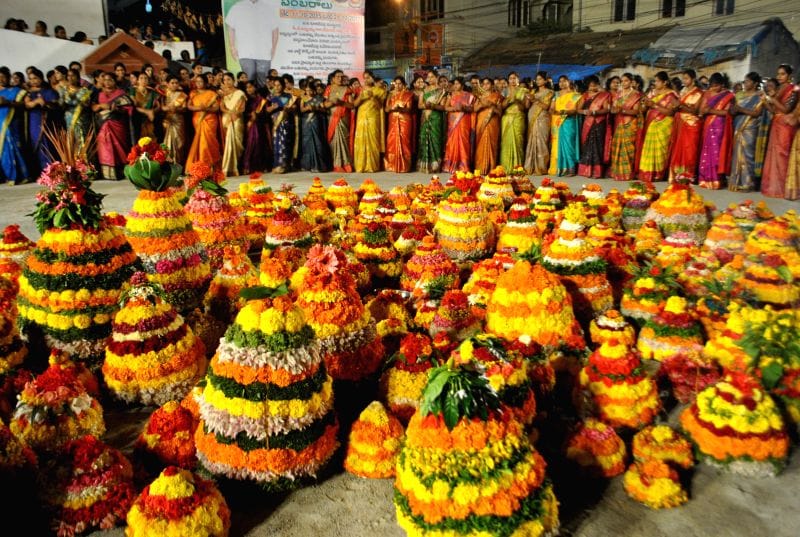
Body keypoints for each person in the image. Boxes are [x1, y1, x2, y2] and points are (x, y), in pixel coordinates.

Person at [761, 64, 799, 199]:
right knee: (773, 154)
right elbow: (773, 110)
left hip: (785, 126)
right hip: (776, 123)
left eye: (782, 74)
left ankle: (783, 188)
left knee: (783, 154)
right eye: (778, 74)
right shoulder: (779, 89)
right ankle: (772, 187)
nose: (779, 76)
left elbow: (786, 109)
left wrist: (773, 99)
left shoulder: (794, 89)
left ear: (789, 76)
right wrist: (765, 101)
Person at [226, 0, 279, 87]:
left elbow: (275, 29)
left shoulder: (268, 8)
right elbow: (231, 27)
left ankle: (263, 100)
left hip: (264, 53)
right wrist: (232, 46)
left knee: (263, 82)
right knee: (248, 81)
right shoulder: (237, 7)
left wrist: (274, 47)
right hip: (245, 52)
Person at [638, 71, 679, 182]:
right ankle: (647, 173)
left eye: (657, 81)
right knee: (649, 148)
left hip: (664, 123)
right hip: (651, 122)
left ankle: (659, 174)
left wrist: (654, 105)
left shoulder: (671, 94)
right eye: (654, 81)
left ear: (665, 82)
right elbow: (643, 109)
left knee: (661, 149)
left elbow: (670, 112)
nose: (655, 83)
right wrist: (643, 104)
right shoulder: (652, 93)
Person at [92, 72, 134, 180]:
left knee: (120, 147)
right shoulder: (98, 94)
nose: (107, 82)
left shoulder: (121, 93)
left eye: (110, 80)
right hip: (102, 124)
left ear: (115, 81)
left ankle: (122, 171)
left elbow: (128, 108)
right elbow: (92, 107)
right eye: (105, 80)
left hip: (117, 123)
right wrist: (100, 105)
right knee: (105, 146)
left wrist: (117, 109)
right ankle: (107, 173)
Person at [697, 72, 735, 189]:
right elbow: (702, 110)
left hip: (719, 126)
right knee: (707, 151)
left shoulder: (728, 95)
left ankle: (717, 179)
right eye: (712, 85)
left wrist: (711, 111)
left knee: (717, 152)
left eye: (716, 85)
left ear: (722, 85)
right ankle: (705, 179)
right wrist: (704, 111)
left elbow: (728, 112)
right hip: (708, 125)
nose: (714, 88)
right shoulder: (707, 94)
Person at [728, 72, 764, 192]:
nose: (745, 83)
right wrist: (733, 109)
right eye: (744, 81)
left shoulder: (759, 96)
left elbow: (757, 113)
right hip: (738, 125)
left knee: (748, 155)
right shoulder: (739, 95)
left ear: (755, 84)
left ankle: (748, 183)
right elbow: (733, 111)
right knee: (737, 154)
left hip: (750, 128)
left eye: (747, 81)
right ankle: (736, 182)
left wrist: (741, 109)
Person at [669, 69, 704, 181]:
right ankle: (677, 175)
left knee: (690, 149)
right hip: (680, 122)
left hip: (691, 123)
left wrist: (679, 105)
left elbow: (695, 110)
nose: (684, 81)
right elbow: (678, 106)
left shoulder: (698, 92)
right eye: (683, 78)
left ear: (693, 79)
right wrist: (675, 106)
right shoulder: (683, 91)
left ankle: (688, 175)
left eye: (686, 78)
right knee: (678, 148)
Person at [24, 68, 60, 174]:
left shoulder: (49, 91)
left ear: (41, 78)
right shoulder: (29, 93)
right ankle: (43, 171)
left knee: (48, 143)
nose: (33, 81)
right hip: (34, 121)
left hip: (47, 120)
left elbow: (55, 104)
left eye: (35, 78)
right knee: (36, 143)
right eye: (30, 79)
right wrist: (36, 102)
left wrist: (44, 103)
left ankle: (53, 170)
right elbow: (27, 104)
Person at [577, 75, 612, 178]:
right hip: (587, 122)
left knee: (597, 145)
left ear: (598, 84)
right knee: (587, 145)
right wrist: (584, 111)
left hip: (598, 122)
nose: (592, 88)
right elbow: (578, 109)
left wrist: (595, 112)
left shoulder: (604, 95)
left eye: (594, 85)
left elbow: (606, 109)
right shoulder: (585, 95)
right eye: (590, 86)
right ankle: (586, 170)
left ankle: (597, 172)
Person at [609, 73, 642, 181]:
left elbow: (636, 111)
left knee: (629, 148)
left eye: (626, 81)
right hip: (619, 123)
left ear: (631, 81)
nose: (623, 83)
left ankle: (627, 173)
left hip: (630, 123)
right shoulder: (618, 94)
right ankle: (617, 172)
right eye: (622, 81)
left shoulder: (636, 95)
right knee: (617, 146)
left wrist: (622, 110)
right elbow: (614, 107)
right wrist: (614, 110)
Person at [0, 67, 30, 184]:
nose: (1, 79)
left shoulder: (16, 91)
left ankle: (17, 175)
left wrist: (8, 102)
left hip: (10, 123)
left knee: (11, 146)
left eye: (3, 77)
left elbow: (25, 104)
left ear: (8, 78)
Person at [186, 75, 222, 171]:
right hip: (197, 119)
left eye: (201, 81)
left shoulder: (211, 94)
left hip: (210, 119)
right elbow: (189, 106)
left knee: (208, 141)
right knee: (200, 141)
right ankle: (201, 164)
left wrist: (206, 108)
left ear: (205, 83)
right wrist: (199, 108)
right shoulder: (193, 93)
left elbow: (216, 108)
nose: (198, 83)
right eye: (197, 82)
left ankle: (210, 165)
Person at [353, 71, 386, 173]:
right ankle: (360, 166)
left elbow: (380, 106)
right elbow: (354, 104)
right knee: (361, 140)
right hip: (361, 117)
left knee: (373, 140)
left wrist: (372, 97)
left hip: (373, 117)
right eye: (364, 78)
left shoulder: (380, 91)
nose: (366, 80)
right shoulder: (359, 90)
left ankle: (372, 166)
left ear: (372, 78)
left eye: (368, 78)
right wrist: (361, 96)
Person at [549, 75, 582, 176]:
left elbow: (576, 110)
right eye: (560, 81)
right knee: (557, 145)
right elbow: (551, 108)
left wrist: (566, 111)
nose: (562, 83)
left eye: (564, 81)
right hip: (558, 121)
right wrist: (554, 111)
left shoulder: (575, 95)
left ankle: (571, 168)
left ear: (569, 82)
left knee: (569, 145)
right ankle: (561, 168)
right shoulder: (556, 95)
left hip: (569, 121)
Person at [442, 77, 476, 173]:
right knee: (452, 141)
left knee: (463, 141)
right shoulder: (451, 96)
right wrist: (454, 109)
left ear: (462, 85)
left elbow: (472, 109)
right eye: (454, 84)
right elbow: (446, 107)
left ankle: (463, 166)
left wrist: (463, 108)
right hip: (453, 121)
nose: (456, 86)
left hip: (464, 121)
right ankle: (450, 164)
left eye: (458, 84)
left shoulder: (469, 95)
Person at [324, 70, 355, 172]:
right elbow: (324, 104)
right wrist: (332, 102)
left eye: (342, 77)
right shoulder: (328, 89)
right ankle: (337, 164)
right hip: (332, 117)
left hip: (343, 118)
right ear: (333, 79)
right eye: (337, 77)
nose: (340, 79)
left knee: (343, 140)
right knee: (334, 140)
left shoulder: (347, 89)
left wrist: (341, 102)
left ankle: (346, 163)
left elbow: (351, 105)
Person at [523, 71, 553, 175]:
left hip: (542, 118)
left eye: (540, 79)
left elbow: (546, 106)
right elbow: (526, 107)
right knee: (531, 141)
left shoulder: (549, 92)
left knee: (541, 141)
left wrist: (535, 100)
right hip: (532, 117)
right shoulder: (533, 92)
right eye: (537, 79)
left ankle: (541, 167)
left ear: (545, 80)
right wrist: (528, 97)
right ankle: (530, 167)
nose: (538, 81)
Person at [417, 70, 447, 173]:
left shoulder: (441, 91)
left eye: (432, 77)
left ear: (437, 77)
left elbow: (443, 107)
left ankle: (436, 166)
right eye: (428, 77)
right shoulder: (424, 91)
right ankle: (426, 166)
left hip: (436, 117)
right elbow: (419, 105)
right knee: (424, 137)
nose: (430, 79)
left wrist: (433, 106)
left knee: (435, 139)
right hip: (425, 117)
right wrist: (426, 105)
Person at [384, 76, 415, 173]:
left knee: (404, 140)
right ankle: (391, 165)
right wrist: (393, 108)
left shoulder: (408, 95)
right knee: (391, 141)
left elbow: (409, 109)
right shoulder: (390, 95)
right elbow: (386, 109)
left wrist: (400, 109)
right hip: (393, 119)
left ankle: (404, 166)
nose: (397, 85)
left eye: (399, 83)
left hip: (404, 119)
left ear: (404, 84)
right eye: (395, 83)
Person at [267, 77, 298, 174]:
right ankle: (276, 165)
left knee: (284, 143)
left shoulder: (289, 96)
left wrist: (289, 108)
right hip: (275, 122)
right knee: (276, 144)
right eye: (275, 85)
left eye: (279, 85)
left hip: (285, 122)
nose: (276, 87)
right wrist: (273, 107)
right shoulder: (270, 97)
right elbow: (266, 110)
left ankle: (284, 165)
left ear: (283, 86)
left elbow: (294, 107)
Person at [59, 69, 93, 154]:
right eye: (68, 76)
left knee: (83, 142)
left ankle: (85, 164)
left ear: (78, 78)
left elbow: (87, 105)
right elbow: (61, 105)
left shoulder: (84, 90)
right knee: (72, 142)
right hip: (69, 120)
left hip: (82, 120)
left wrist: (83, 103)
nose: (70, 78)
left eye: (73, 76)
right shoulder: (64, 90)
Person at [219, 72, 247, 176]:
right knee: (228, 142)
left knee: (237, 143)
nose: (227, 82)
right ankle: (227, 169)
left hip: (237, 118)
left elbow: (242, 108)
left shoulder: (239, 93)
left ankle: (235, 167)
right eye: (224, 80)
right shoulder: (223, 94)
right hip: (227, 119)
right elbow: (221, 107)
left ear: (233, 80)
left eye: (229, 79)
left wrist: (235, 113)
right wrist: (228, 113)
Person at [474, 77, 503, 175]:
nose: (485, 86)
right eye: (484, 84)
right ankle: (480, 167)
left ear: (492, 85)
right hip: (481, 120)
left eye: (488, 83)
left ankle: (491, 167)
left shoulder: (497, 96)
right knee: (480, 143)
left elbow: (499, 112)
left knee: (492, 143)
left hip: (492, 122)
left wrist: (492, 106)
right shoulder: (480, 96)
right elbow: (475, 109)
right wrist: (483, 105)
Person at [299, 81, 330, 172]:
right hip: (306, 122)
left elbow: (324, 110)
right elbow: (301, 110)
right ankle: (307, 165)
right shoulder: (303, 99)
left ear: (314, 90)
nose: (309, 92)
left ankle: (318, 165)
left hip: (315, 121)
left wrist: (316, 108)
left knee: (317, 142)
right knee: (306, 143)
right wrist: (307, 108)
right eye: (307, 90)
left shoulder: (319, 98)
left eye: (310, 90)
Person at [499, 72, 528, 170]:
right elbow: (501, 107)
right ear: (508, 80)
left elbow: (526, 107)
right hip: (506, 118)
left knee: (518, 141)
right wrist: (509, 99)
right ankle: (505, 167)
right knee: (506, 142)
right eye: (511, 78)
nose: (513, 80)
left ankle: (517, 167)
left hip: (518, 118)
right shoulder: (504, 91)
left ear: (518, 80)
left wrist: (518, 101)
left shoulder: (524, 91)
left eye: (514, 78)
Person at [240, 80, 269, 174]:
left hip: (260, 124)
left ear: (255, 88)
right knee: (249, 144)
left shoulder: (261, 100)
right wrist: (250, 116)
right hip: (248, 124)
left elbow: (265, 113)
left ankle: (260, 166)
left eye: (250, 87)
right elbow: (242, 112)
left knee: (259, 144)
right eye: (247, 87)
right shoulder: (245, 99)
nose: (248, 89)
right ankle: (248, 166)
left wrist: (257, 116)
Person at [161, 75, 188, 165]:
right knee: (167, 142)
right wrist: (166, 108)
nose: (174, 85)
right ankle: (168, 164)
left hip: (178, 119)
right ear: (167, 84)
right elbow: (161, 107)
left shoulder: (182, 95)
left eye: (176, 83)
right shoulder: (164, 94)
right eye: (172, 83)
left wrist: (176, 109)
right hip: (167, 120)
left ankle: (179, 164)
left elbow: (184, 109)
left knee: (180, 142)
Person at [129, 72, 159, 140]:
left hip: (149, 119)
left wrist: (152, 111)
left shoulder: (152, 92)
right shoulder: (133, 90)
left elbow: (158, 106)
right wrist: (147, 112)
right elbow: (133, 106)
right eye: (141, 78)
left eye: (146, 78)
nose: (144, 80)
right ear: (138, 80)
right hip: (137, 119)